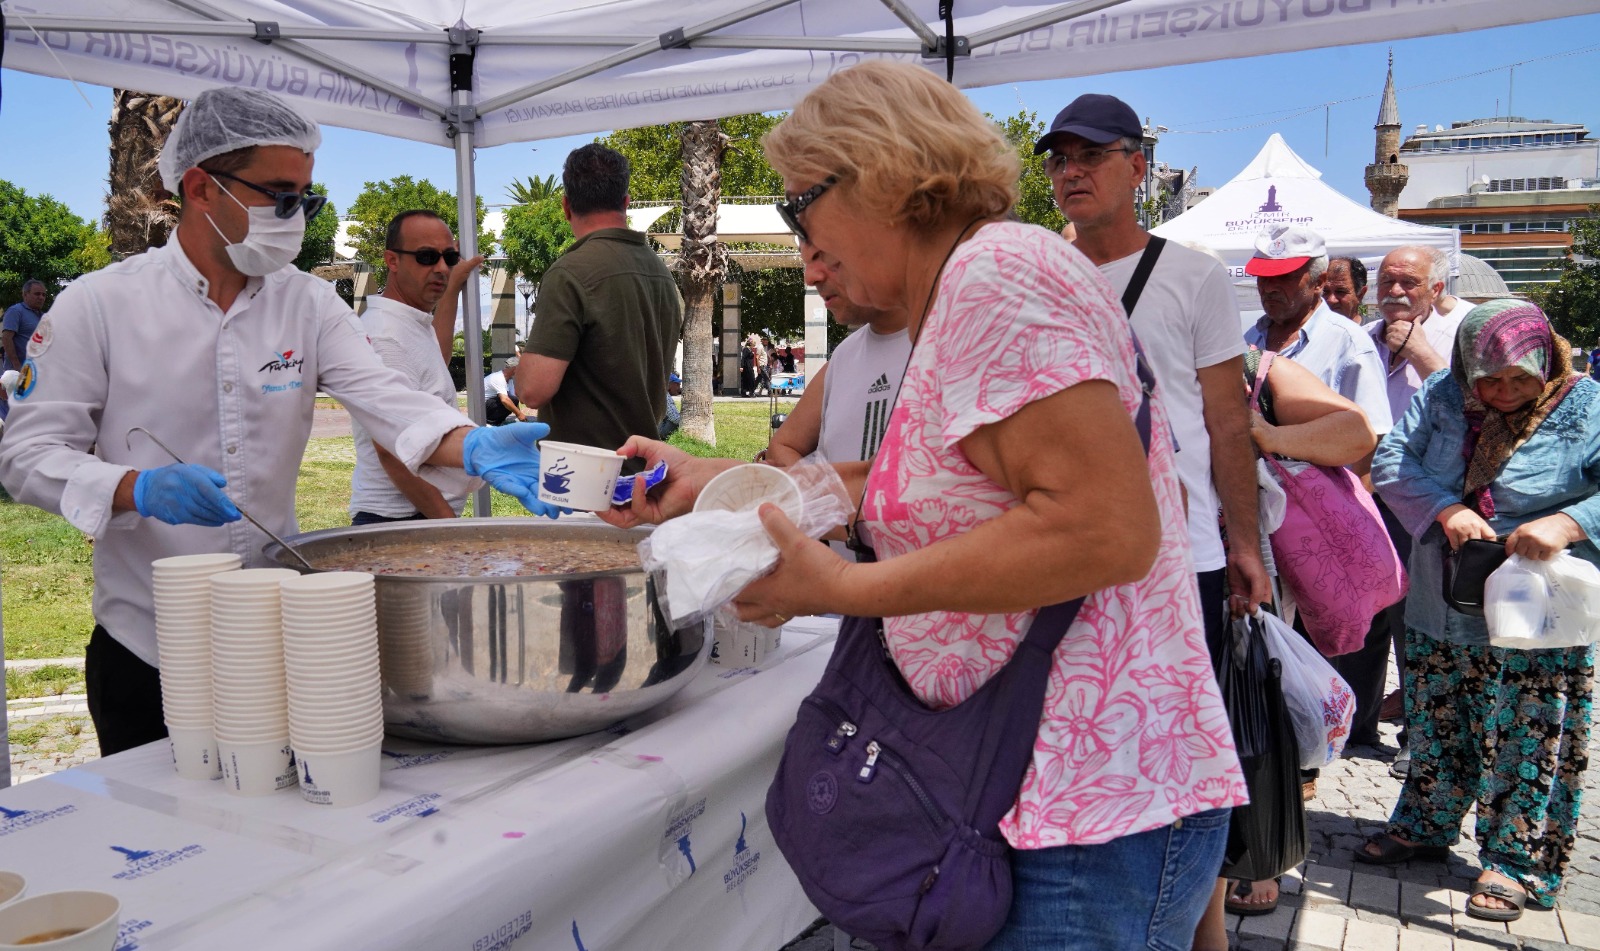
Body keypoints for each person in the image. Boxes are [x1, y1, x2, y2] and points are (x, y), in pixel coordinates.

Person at [606, 60, 1245, 947]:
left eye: (801, 205)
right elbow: (941, 486)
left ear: (880, 174)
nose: (806, 245)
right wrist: (719, 485)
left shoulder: (997, 275)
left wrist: (840, 589)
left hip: (1078, 811)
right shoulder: (969, 286)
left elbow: (1105, 528)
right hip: (1046, 798)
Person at [0, 86, 558, 758]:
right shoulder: (100, 305)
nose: (297, 216)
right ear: (202, 188)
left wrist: (474, 445)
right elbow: (25, 454)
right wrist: (134, 488)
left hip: (275, 636)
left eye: (306, 198)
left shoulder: (309, 304)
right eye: (281, 196)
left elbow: (386, 398)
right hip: (147, 647)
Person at [1364, 300, 1598, 924]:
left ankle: (1515, 859)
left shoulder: (1585, 404)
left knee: (1528, 732)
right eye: (1487, 379)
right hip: (1445, 595)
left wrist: (1571, 522)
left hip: (1538, 607)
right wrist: (1445, 508)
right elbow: (1392, 461)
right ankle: (1427, 821)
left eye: (1518, 379)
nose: (1501, 393)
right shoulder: (1443, 393)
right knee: (1439, 718)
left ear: (1544, 360)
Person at [1039, 90, 1270, 660]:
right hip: (1065, 548)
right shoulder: (1039, 281)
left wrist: (1244, 543)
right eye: (1058, 160)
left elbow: (1226, 421)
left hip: (1180, 553)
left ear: (1137, 167)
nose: (1071, 172)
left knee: (1177, 738)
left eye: (1091, 156)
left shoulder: (1195, 277)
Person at [1361, 244, 1469, 767]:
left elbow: (1474, 409)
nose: (1397, 292)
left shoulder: (1462, 335)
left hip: (1431, 502)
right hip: (1368, 496)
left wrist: (1423, 354)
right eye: (1387, 283)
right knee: (1367, 614)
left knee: (1419, 623)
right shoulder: (1363, 339)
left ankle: (1419, 741)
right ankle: (1357, 724)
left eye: (1409, 283)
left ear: (1437, 290)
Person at [515, 144, 683, 458]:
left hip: (583, 476)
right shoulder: (661, 272)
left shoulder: (570, 272)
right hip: (642, 463)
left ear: (566, 206)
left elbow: (532, 391)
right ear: (625, 202)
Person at [764, 242, 911, 559]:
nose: (811, 277)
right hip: (841, 597)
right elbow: (783, 445)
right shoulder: (845, 356)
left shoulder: (953, 347)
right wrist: (823, 511)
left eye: (824, 255)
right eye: (806, 261)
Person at [348, 210, 485, 525]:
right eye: (426, 257)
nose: (440, 268)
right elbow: (391, 451)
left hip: (416, 516)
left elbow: (435, 360)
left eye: (448, 257)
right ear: (392, 261)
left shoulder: (407, 320)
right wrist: (448, 525)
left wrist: (451, 289)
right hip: (400, 519)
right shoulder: (385, 334)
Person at [1244, 226, 1392, 445]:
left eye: (1284, 277)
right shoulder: (1251, 338)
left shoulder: (1350, 344)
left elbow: (1373, 438)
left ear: (1319, 282)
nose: (1269, 288)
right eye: (1263, 277)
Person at [1, 279, 47, 420]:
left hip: (37, 374)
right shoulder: (16, 311)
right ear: (25, 294)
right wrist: (17, 366)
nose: (41, 297)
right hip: (17, 374)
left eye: (43, 295)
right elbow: (7, 338)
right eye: (37, 294)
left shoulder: (43, 316)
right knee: (15, 415)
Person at [1323, 256, 1368, 323]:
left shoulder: (1372, 332)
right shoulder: (1309, 331)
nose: (1331, 300)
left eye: (1340, 291)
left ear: (1360, 294)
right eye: (1325, 291)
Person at [484, 355, 525, 426]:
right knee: (507, 400)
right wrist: (519, 414)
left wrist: (519, 416)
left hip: (489, 406)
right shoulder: (498, 378)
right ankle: (490, 423)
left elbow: (514, 400)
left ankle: (499, 422)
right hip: (482, 409)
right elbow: (504, 400)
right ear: (515, 368)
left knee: (512, 400)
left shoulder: (510, 380)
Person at [659, 372, 682, 439]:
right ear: (668, 385)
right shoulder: (665, 396)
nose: (679, 388)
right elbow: (675, 419)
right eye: (677, 385)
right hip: (659, 432)